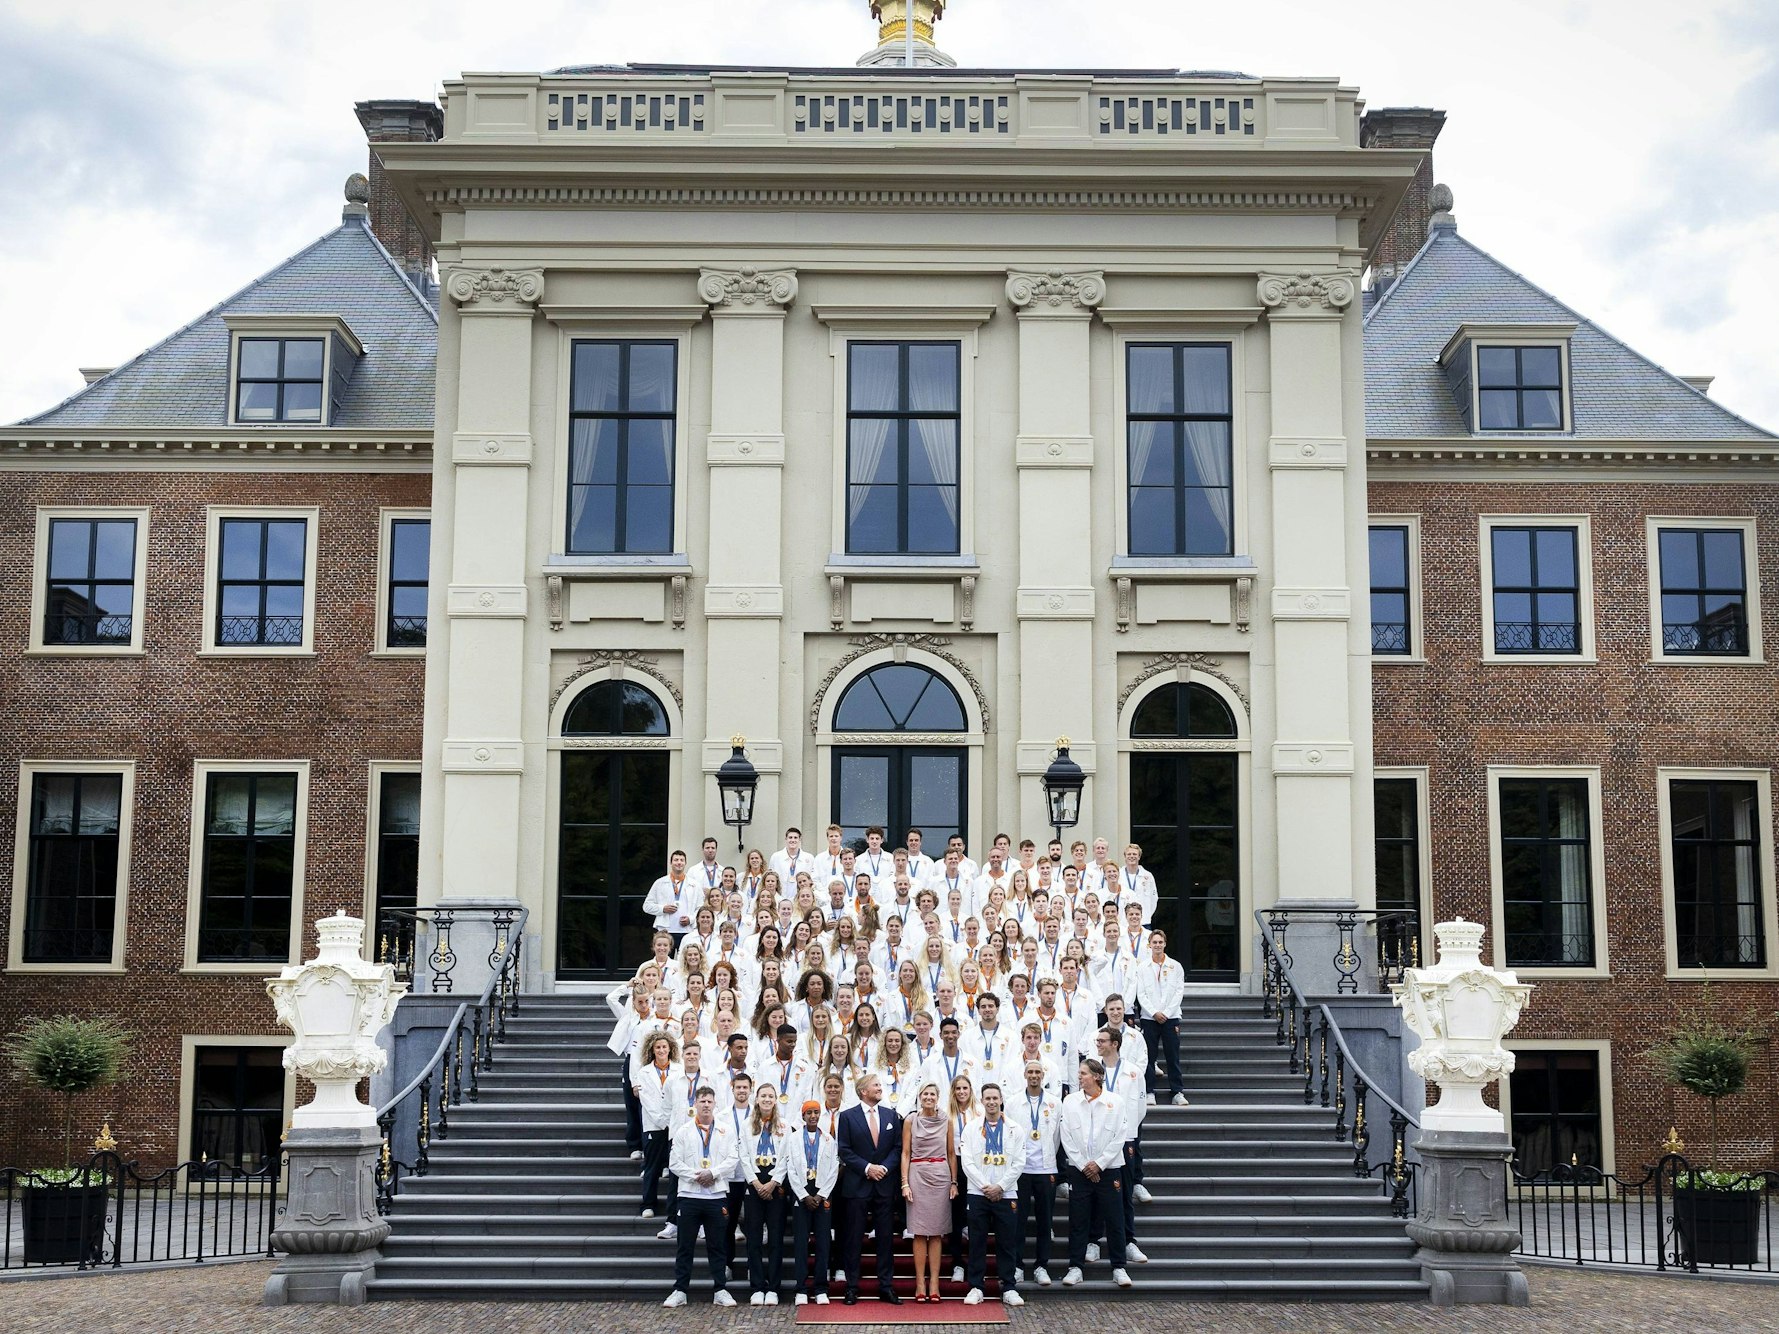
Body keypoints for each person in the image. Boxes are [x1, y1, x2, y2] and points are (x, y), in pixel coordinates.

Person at [664, 1084, 740, 1308]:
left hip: (716, 1196)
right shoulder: (683, 1131)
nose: (706, 1105)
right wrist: (697, 1176)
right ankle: (680, 1290)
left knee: (717, 1246)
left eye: (709, 1101)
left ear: (715, 1104)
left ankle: (720, 1289)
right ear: (694, 1104)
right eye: (702, 1101)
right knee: (684, 1245)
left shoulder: (726, 1130)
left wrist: (713, 1173)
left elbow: (733, 1159)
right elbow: (674, 1163)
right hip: (689, 1195)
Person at [1059, 1059, 1132, 1288]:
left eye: (1084, 1073)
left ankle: (1119, 1267)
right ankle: (1075, 1267)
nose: (1079, 1077)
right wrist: (1084, 1165)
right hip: (1080, 1171)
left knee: (1114, 1219)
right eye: (1079, 1073)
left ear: (1097, 1076)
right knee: (1078, 1219)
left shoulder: (1116, 1102)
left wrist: (1099, 1164)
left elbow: (1120, 1135)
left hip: (1108, 1170)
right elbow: (1066, 1136)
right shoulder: (1070, 1101)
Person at [834, 1071, 904, 1305]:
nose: (880, 1088)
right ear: (863, 1091)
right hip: (857, 1186)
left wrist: (883, 1168)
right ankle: (852, 1287)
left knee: (885, 1239)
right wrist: (867, 1168)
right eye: (875, 1085)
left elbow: (897, 1148)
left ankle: (886, 1286)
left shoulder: (891, 1115)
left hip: (884, 1186)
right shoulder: (847, 1116)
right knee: (854, 1238)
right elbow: (844, 1150)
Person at [960, 1083, 1024, 1306]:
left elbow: (1019, 1162)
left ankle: (1008, 1287)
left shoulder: (1015, 1129)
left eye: (995, 1098)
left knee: (1007, 1242)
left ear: (1001, 1099)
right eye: (987, 1098)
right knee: (977, 1242)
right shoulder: (971, 1128)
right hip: (978, 1193)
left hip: (1006, 1194)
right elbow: (966, 1161)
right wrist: (986, 1185)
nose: (991, 1102)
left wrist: (1001, 1186)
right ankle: (976, 1287)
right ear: (981, 1101)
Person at [899, 1080, 956, 1303]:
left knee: (937, 1231)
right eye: (925, 1094)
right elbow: (905, 1153)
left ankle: (934, 1282)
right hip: (917, 1173)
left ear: (938, 1097)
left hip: (941, 1174)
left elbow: (951, 1153)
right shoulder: (910, 1120)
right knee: (920, 1231)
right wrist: (904, 1182)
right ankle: (920, 1282)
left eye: (932, 1094)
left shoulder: (947, 1120)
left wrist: (954, 1182)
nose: (929, 1097)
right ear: (919, 1097)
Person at [784, 1098, 837, 1306]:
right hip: (802, 1195)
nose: (813, 1116)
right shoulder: (794, 1138)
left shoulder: (829, 1140)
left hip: (822, 1194)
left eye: (816, 1112)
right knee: (801, 1245)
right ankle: (801, 1289)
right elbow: (790, 1168)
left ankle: (821, 1288)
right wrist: (803, 1195)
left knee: (823, 1243)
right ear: (803, 1116)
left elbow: (833, 1169)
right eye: (809, 1113)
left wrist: (821, 1195)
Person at [1015, 1057, 1062, 1286]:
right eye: (1030, 1072)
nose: (1034, 1075)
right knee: (1019, 1220)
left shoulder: (1054, 1102)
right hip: (1021, 1169)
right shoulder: (1013, 1102)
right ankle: (1017, 1265)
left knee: (1045, 1220)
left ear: (1043, 1075)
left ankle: (1041, 1266)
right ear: (1025, 1075)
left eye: (1037, 1072)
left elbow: (1057, 1136)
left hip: (1046, 1168)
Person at [743, 1084, 790, 1305]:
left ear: (775, 1099)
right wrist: (755, 1182)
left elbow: (786, 1157)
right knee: (753, 1237)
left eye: (771, 1096)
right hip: (753, 1183)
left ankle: (773, 1287)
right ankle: (757, 1287)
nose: (767, 1099)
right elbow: (742, 1155)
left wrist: (773, 1183)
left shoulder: (783, 1126)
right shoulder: (746, 1125)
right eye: (763, 1095)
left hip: (775, 1183)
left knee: (775, 1238)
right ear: (757, 1098)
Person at [1134, 930, 1187, 1105]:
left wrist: (1167, 1012)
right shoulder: (1142, 967)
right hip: (1149, 1018)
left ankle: (1177, 1092)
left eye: (1160, 942)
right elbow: (1140, 994)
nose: (1157, 945)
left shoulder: (1176, 966)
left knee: (1173, 1055)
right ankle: (1149, 1091)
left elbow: (1179, 992)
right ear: (1149, 945)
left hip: (1170, 1018)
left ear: (1165, 944)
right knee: (1149, 1056)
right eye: (1154, 942)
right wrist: (1153, 1012)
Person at [636, 1031, 682, 1220]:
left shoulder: (679, 1070)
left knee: (675, 1168)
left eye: (664, 1047)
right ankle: (648, 1204)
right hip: (654, 1125)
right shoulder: (644, 1071)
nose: (661, 1050)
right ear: (652, 1050)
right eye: (658, 1047)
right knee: (652, 1166)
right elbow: (647, 1100)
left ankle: (675, 1208)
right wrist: (663, 1120)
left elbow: (679, 1098)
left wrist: (671, 1121)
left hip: (675, 1125)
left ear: (670, 1048)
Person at [646, 850, 696, 939]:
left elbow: (700, 908)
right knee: (664, 953)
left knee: (686, 953)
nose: (679, 863)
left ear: (685, 863)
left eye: (682, 860)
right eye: (676, 860)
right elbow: (647, 906)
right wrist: (662, 909)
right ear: (671, 862)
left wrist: (690, 919)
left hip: (687, 930)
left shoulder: (694, 884)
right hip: (665, 931)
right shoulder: (659, 883)